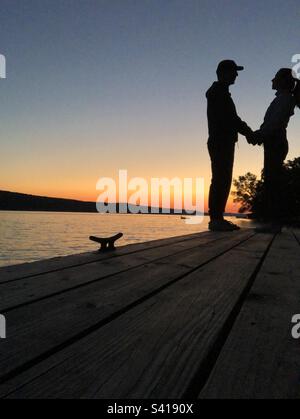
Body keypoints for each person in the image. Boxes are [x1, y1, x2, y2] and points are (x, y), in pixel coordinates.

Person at [206, 60, 254, 232]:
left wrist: (248, 132)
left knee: (222, 179)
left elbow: (232, 119)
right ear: (223, 72)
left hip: (222, 141)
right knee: (221, 179)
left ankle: (217, 218)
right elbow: (232, 119)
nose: (236, 75)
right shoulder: (218, 93)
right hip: (220, 142)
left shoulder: (221, 92)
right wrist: (250, 133)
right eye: (234, 71)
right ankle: (216, 219)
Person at [250, 68, 299, 233]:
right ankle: (274, 221)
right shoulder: (283, 99)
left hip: (276, 141)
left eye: (275, 78)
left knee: (273, 182)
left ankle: (275, 223)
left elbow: (275, 123)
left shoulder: (284, 99)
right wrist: (261, 135)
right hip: (274, 140)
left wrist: (259, 135)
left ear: (282, 81)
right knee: (272, 180)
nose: (272, 81)